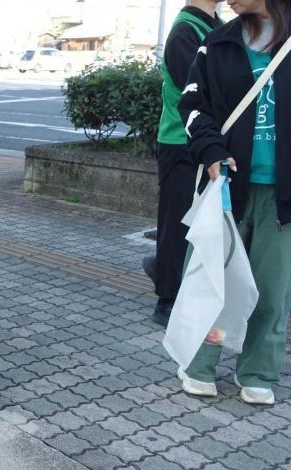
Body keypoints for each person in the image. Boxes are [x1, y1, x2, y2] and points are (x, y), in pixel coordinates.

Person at [178, 0, 291, 405]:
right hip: (226, 187)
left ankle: (258, 372)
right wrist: (210, 150)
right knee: (212, 282)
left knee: (272, 291)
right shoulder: (216, 42)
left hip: (282, 196)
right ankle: (200, 365)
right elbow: (193, 105)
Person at [143, 0, 224, 327]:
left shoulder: (214, 25)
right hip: (180, 142)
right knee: (177, 223)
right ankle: (167, 300)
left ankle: (163, 266)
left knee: (195, 223)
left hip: (202, 142)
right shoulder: (184, 32)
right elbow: (202, 91)